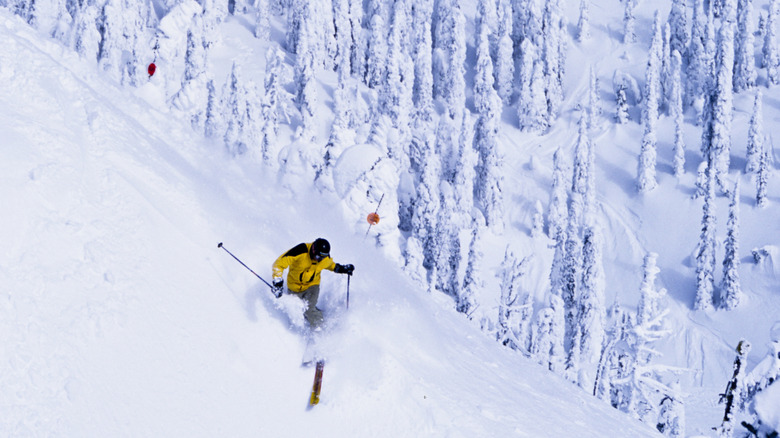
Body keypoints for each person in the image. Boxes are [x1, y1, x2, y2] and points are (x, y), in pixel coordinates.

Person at [271, 238, 354, 330]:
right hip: (294, 287)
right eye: (319, 257)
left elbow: (331, 265)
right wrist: (277, 281)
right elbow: (278, 264)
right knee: (300, 310)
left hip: (312, 286)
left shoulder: (323, 258)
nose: (320, 260)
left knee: (308, 310)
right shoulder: (300, 251)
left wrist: (343, 269)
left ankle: (321, 329)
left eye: (322, 258)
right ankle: (317, 315)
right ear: (314, 249)